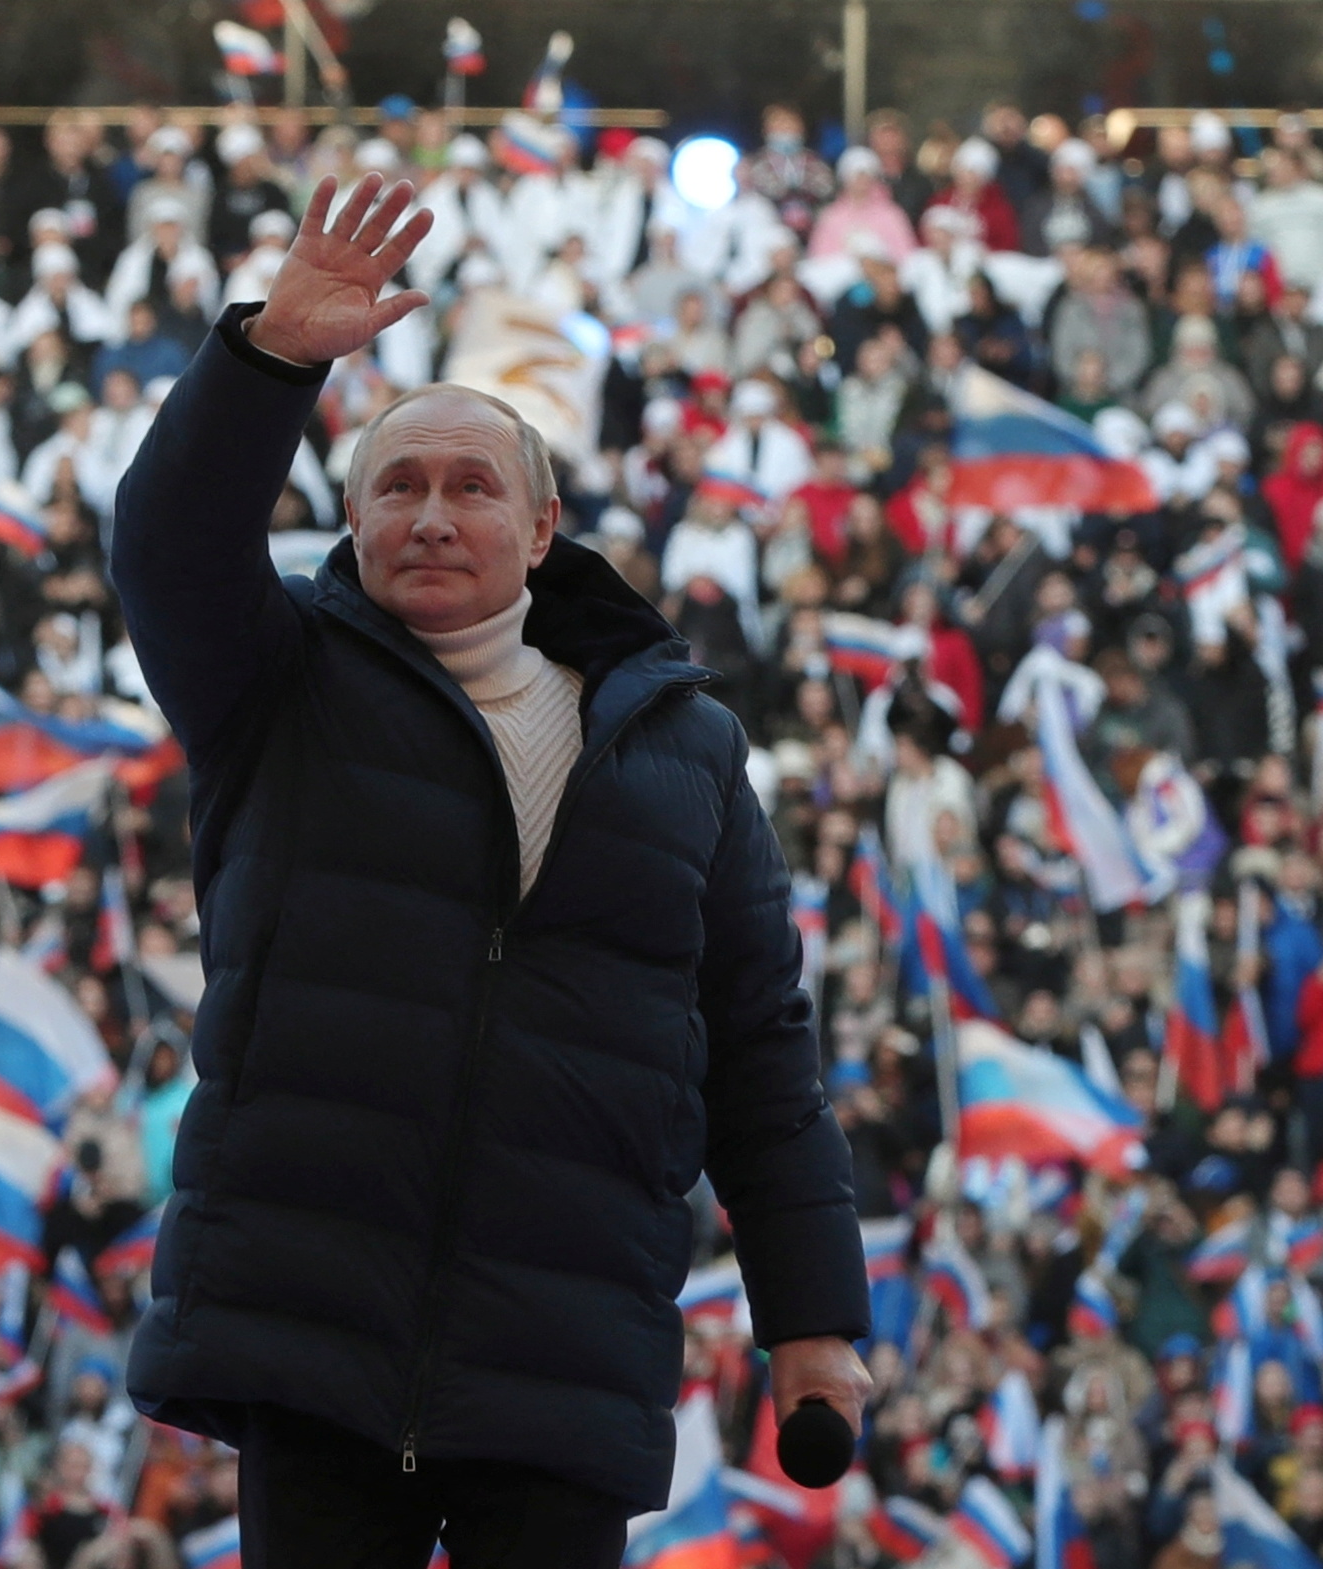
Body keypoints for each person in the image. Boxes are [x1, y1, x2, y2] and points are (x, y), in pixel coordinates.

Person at [111, 174, 872, 1569]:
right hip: (314, 1333)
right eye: (397, 485)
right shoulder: (276, 683)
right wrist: (267, 361)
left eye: (473, 486)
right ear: (351, 522)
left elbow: (760, 1048)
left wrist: (813, 1318)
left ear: (540, 528)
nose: (432, 514)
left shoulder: (686, 748)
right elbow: (167, 549)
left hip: (564, 1352)